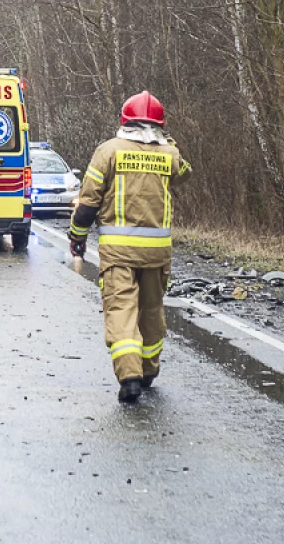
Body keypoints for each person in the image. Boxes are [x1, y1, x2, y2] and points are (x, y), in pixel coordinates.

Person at [68, 91, 192, 403]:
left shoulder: (108, 151)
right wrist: (169, 143)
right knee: (151, 310)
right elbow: (185, 174)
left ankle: (130, 376)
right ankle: (149, 370)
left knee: (122, 310)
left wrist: (77, 236)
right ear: (161, 126)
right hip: (157, 253)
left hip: (118, 253)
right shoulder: (169, 155)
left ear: (124, 120)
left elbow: (88, 202)